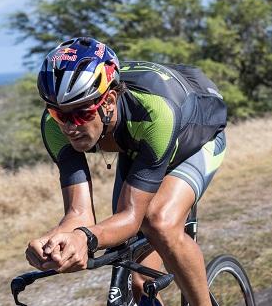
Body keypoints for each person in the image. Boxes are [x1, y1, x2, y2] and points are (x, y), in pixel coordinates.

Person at [25, 37, 227, 306]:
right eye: (61, 115)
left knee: (158, 222)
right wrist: (53, 242)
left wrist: (85, 239)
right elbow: (78, 213)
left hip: (196, 134)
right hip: (140, 146)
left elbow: (131, 217)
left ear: (108, 100)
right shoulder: (54, 127)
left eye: (81, 114)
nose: (69, 127)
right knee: (141, 282)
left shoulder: (155, 114)